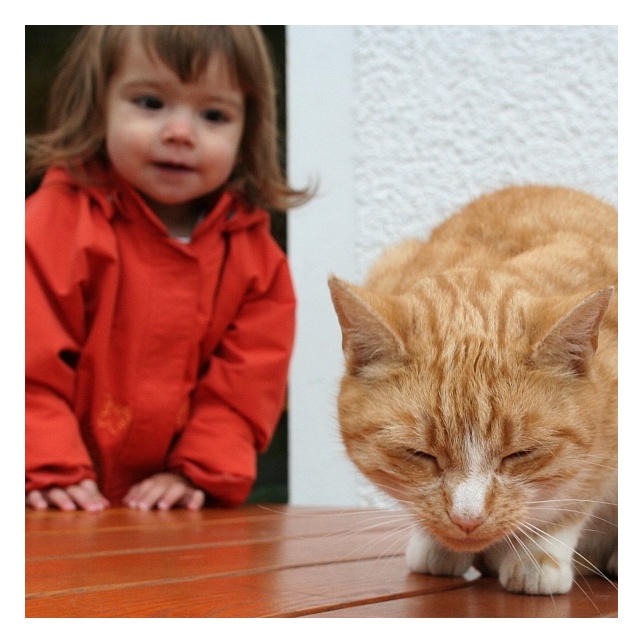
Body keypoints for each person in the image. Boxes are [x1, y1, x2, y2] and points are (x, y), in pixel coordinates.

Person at [25, 26, 312, 512]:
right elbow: (24, 362)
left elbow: (244, 390)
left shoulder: (258, 265)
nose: (180, 132)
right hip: (43, 500)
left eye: (213, 114)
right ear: (100, 106)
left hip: (174, 516)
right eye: (150, 103)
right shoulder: (52, 225)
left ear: (248, 132)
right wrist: (44, 463)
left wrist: (196, 470)